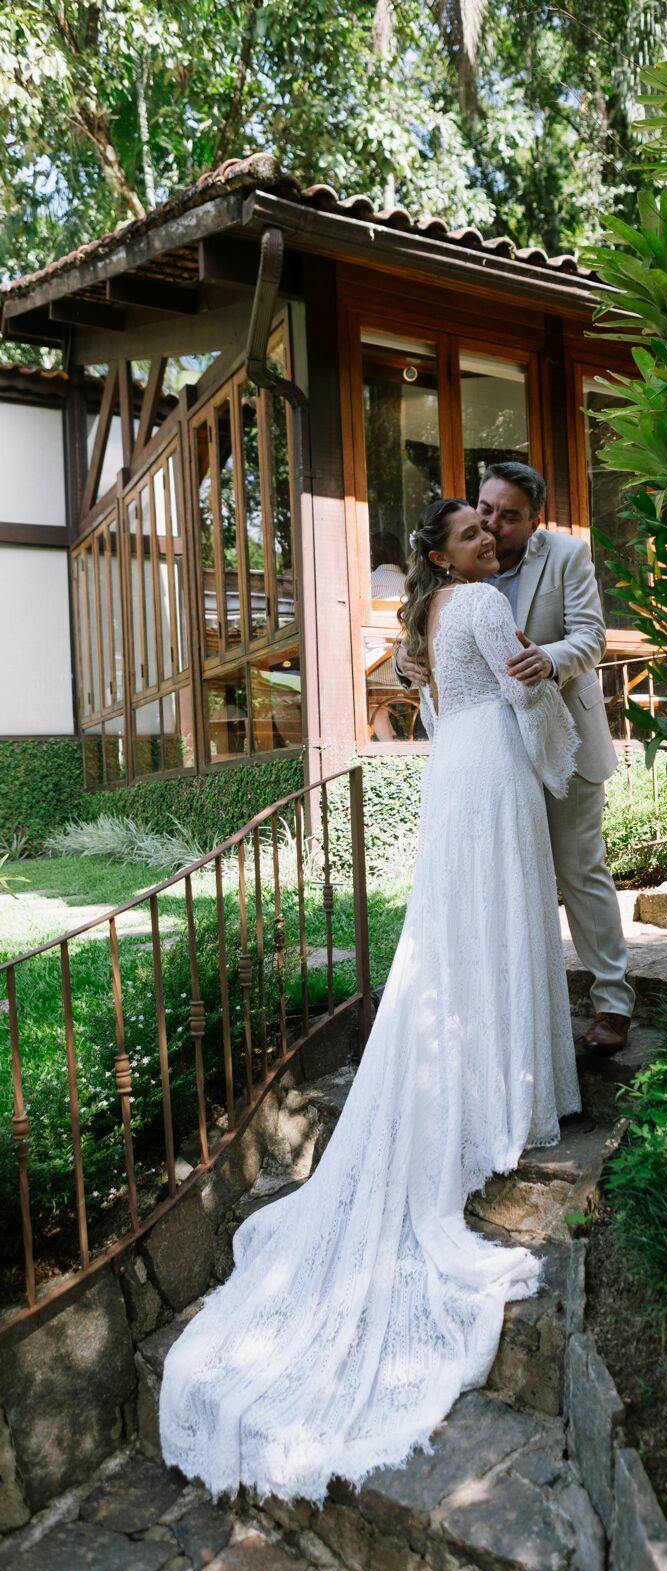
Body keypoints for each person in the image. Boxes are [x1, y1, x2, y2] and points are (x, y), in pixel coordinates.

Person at [159, 499, 581, 1505]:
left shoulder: (433, 613)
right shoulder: (480, 600)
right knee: (502, 924)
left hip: (454, 773)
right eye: (471, 531)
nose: (487, 537)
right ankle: (509, 1101)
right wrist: (561, 752)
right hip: (495, 773)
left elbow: (434, 707)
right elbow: (527, 695)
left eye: (490, 525)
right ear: (441, 554)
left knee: (461, 933)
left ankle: (495, 1082)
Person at [397, 462, 635, 1054]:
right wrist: (408, 665)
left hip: (564, 735)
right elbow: (422, 646)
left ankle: (612, 1001)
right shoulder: (458, 570)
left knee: (579, 868)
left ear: (535, 518)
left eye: (508, 517)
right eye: (485, 511)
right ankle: (510, 1008)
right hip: (491, 755)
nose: (493, 526)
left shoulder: (568, 555)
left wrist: (548, 660)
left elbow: (591, 637)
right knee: (502, 880)